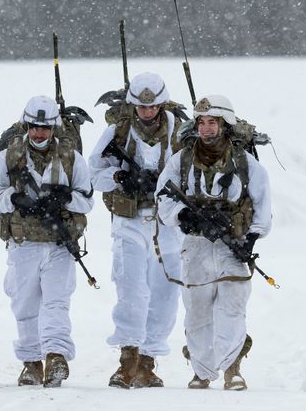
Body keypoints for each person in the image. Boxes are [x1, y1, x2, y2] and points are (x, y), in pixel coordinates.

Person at [156, 95, 271, 390]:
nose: (206, 129)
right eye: (202, 122)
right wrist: (184, 216)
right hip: (196, 246)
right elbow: (163, 199)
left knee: (232, 307)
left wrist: (251, 239)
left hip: (233, 243)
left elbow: (261, 205)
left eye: (212, 122)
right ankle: (202, 370)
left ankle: (232, 367)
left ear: (225, 124)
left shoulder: (245, 162)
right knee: (197, 309)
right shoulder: (181, 160)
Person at [0, 95, 94, 388]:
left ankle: (56, 356)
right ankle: (31, 362)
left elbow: (87, 200)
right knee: (25, 304)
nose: (39, 134)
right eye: (34, 127)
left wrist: (65, 198)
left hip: (59, 244)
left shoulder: (72, 157)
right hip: (23, 243)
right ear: (27, 125)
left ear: (54, 127)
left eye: (45, 128)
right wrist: (14, 198)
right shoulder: (8, 156)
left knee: (57, 301)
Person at [88, 72, 183, 388]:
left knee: (165, 292)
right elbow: (93, 173)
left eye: (153, 106)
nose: (147, 112)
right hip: (128, 220)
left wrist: (168, 188)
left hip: (167, 222)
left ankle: (148, 361)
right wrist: (120, 177)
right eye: (141, 107)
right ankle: (128, 359)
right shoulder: (118, 130)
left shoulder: (179, 131)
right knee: (130, 289)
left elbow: (192, 172)